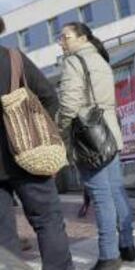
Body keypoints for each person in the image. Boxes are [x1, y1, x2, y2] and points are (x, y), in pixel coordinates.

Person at [56, 22, 135, 270]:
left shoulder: (73, 61)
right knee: (115, 190)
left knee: (101, 196)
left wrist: (58, 128)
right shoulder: (101, 59)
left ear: (82, 37)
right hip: (109, 132)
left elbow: (69, 102)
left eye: (66, 37)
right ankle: (127, 244)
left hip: (90, 137)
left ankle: (109, 256)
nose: (61, 42)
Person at [0, 17, 74, 270]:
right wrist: (49, 138)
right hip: (31, 156)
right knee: (48, 222)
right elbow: (50, 98)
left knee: (2, 236)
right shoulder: (13, 59)